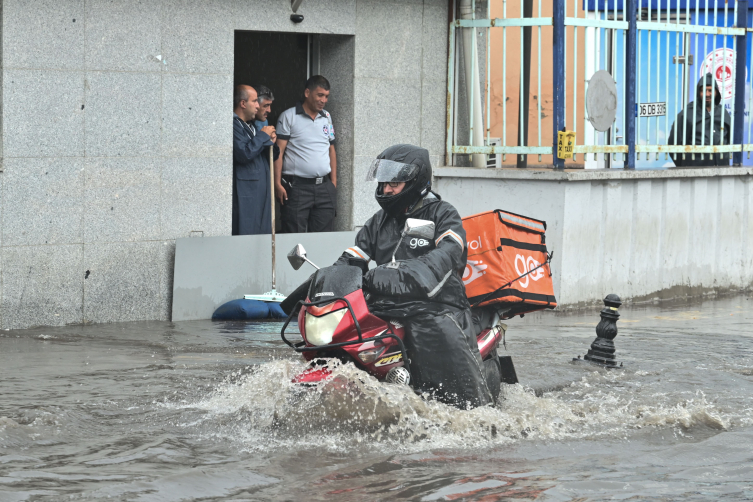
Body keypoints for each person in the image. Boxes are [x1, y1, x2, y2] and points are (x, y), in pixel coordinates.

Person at [333, 144, 493, 409]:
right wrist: (325, 285)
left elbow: (450, 251)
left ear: (416, 180)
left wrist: (412, 272)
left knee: (460, 401)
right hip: (389, 304)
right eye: (384, 183)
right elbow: (352, 259)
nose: (386, 189)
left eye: (394, 183)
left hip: (439, 305)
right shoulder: (379, 221)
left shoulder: (443, 214)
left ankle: (473, 417)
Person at [274, 75, 338, 233]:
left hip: (324, 188)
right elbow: (278, 152)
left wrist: (333, 183)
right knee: (295, 238)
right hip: (297, 188)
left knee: (323, 239)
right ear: (307, 93)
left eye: (326, 96)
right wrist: (276, 183)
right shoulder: (289, 116)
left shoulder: (327, 117)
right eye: (320, 95)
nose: (323, 100)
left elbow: (331, 149)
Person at [232, 85, 279, 235]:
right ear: (243, 103)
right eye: (255, 102)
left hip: (260, 192)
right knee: (247, 234)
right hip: (247, 194)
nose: (258, 106)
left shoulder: (251, 126)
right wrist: (262, 137)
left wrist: (271, 141)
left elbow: (272, 156)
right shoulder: (233, 125)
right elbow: (244, 154)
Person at [668, 73, 732, 167]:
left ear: (716, 92)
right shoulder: (688, 113)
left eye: (710, 90)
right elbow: (673, 144)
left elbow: (729, 140)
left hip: (721, 170)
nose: (707, 94)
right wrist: (685, 166)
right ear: (699, 93)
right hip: (695, 171)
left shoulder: (723, 113)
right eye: (703, 91)